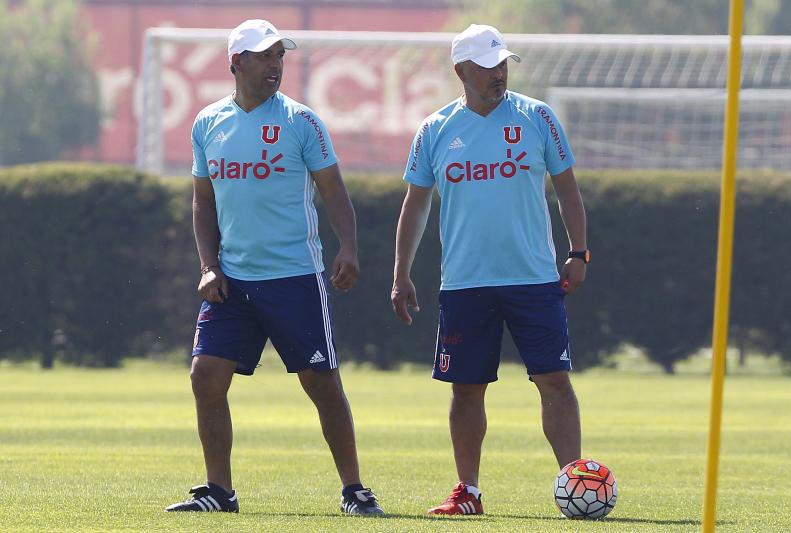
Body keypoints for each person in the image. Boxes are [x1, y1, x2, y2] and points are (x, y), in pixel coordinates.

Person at [166, 19, 384, 516]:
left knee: (322, 383)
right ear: (235, 62)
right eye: (264, 56)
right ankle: (219, 491)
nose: (275, 65)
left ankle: (355, 489)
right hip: (234, 283)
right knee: (205, 376)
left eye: (279, 56)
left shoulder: (301, 121)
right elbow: (203, 202)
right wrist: (208, 265)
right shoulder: (207, 123)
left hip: (295, 279)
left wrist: (348, 248)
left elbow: (334, 191)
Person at [391, 24, 589, 516]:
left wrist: (579, 252)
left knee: (555, 380)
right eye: (488, 65)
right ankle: (468, 492)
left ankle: (576, 483)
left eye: (503, 63)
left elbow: (566, 188)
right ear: (461, 71)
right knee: (466, 387)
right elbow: (415, 206)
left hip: (534, 279)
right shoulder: (434, 130)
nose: (499, 73)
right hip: (465, 283)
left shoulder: (537, 117)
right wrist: (401, 272)